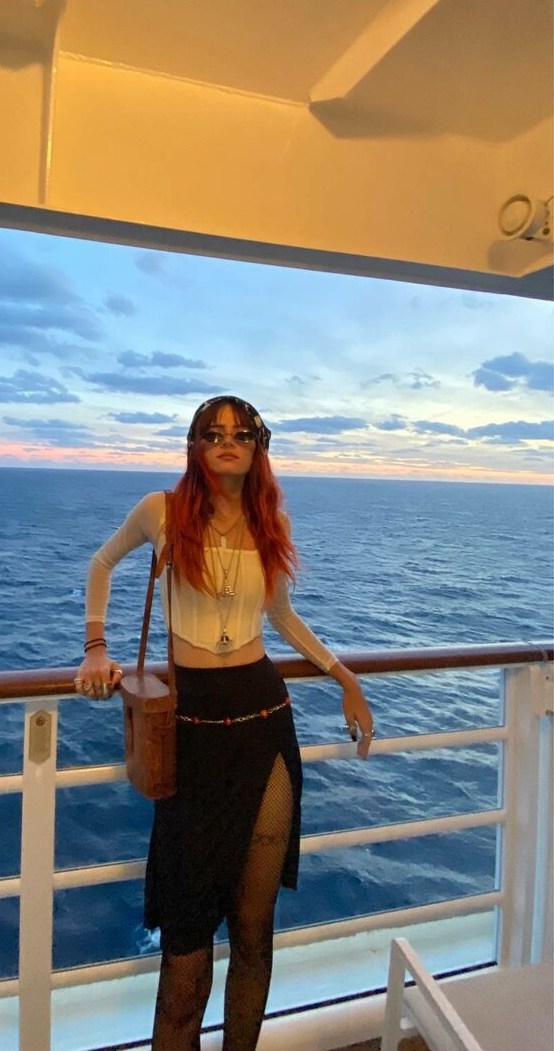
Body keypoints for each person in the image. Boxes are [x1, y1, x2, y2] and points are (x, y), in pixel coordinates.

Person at [75, 395, 374, 1051]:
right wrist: (96, 647)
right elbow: (101, 564)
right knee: (186, 956)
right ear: (195, 445)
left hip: (264, 724)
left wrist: (345, 677)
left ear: (259, 446)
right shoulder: (161, 511)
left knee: (253, 930)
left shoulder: (270, 520)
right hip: (191, 730)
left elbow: (282, 616)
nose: (227, 443)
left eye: (241, 434)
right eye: (213, 434)